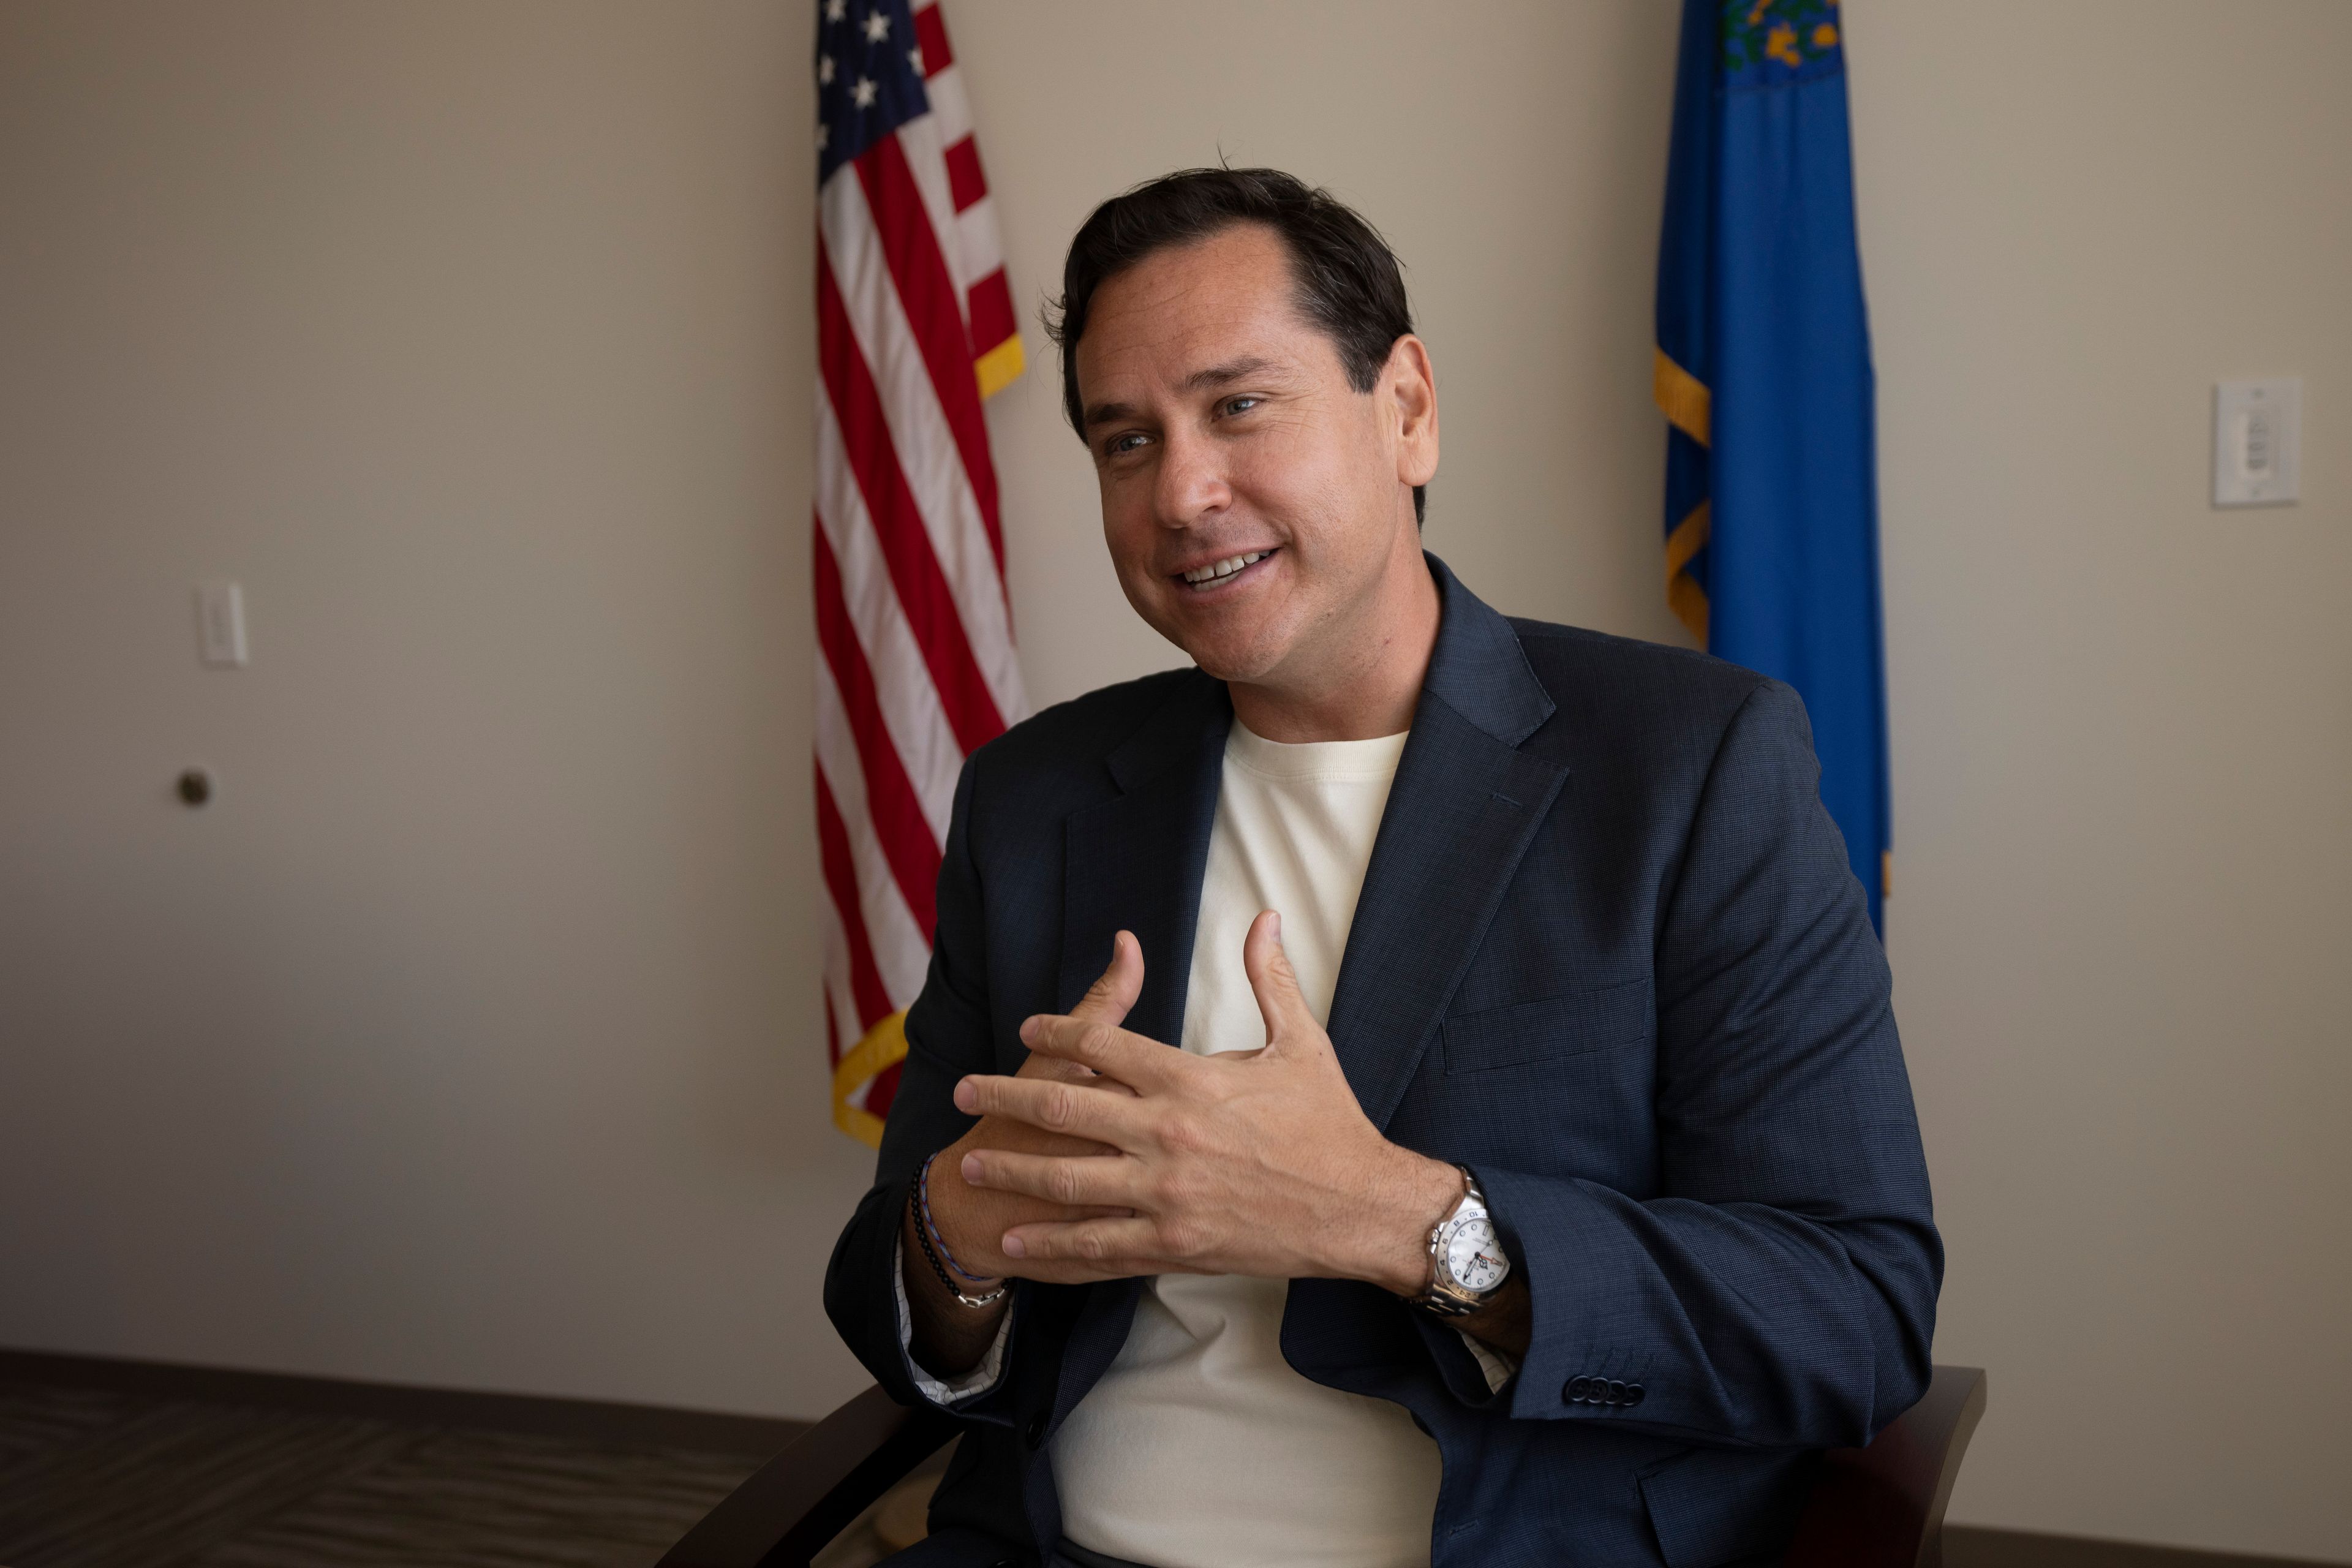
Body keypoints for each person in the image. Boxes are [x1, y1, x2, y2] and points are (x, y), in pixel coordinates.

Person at [825, 167, 1939, 1568]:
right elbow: (893, 1293)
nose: (1181, 491)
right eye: (1125, 440)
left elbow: (1853, 1311)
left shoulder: (1694, 769)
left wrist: (1404, 1219)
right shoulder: (1032, 795)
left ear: (1405, 407)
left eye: (1238, 406)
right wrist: (959, 1238)